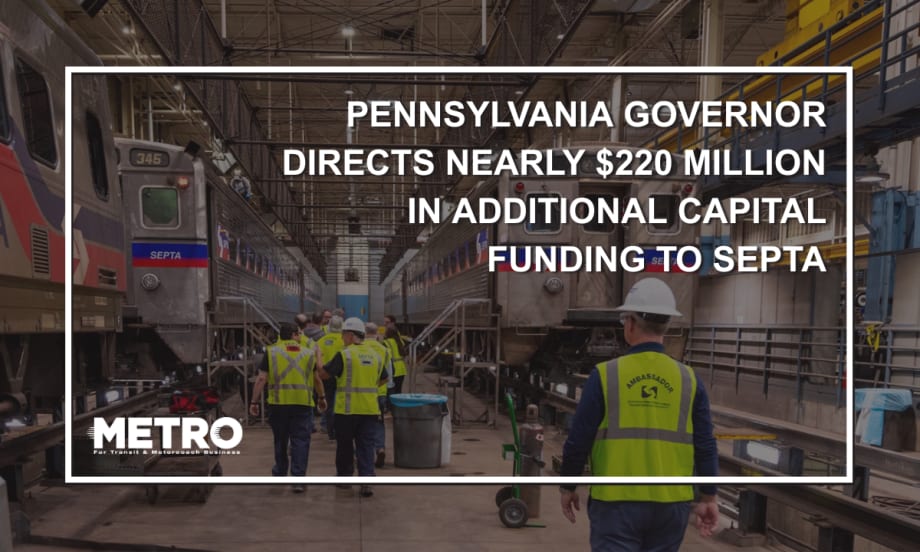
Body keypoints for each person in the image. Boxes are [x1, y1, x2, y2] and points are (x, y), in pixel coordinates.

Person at [559, 278, 719, 551]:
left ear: (630, 323)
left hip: (616, 503)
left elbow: (579, 437)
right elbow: (705, 444)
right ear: (667, 325)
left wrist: (568, 485)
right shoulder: (689, 380)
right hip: (671, 505)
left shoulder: (606, 375)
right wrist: (708, 496)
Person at [249, 323, 326, 493]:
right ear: (293, 335)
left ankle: (280, 473)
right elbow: (317, 379)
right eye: (298, 333)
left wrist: (254, 402)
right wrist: (322, 397)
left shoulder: (271, 352)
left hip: (278, 404)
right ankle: (298, 480)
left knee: (280, 439)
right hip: (302, 404)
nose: (300, 336)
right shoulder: (308, 353)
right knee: (300, 441)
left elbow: (261, 379)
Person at [319, 317, 386, 498]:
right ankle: (367, 482)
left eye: (343, 335)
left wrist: (318, 360)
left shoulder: (345, 355)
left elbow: (324, 374)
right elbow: (384, 378)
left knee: (345, 447)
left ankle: (344, 479)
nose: (342, 339)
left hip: (346, 411)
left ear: (350, 335)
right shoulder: (376, 356)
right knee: (366, 446)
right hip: (370, 410)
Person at [363, 322, 394, 468]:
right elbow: (388, 375)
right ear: (377, 334)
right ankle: (380, 447)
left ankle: (365, 453)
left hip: (363, 393)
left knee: (362, 425)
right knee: (379, 422)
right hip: (380, 393)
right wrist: (388, 389)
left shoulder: (359, 348)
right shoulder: (385, 350)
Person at [317, 316, 345, 439]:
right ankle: (339, 430)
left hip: (325, 376)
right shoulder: (344, 341)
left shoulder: (321, 341)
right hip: (341, 376)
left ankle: (330, 432)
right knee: (340, 404)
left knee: (328, 403)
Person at [384, 326, 407, 395]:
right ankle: (398, 404)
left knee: (391, 390)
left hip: (393, 369)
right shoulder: (400, 341)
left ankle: (392, 405)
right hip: (402, 368)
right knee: (399, 390)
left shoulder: (386, 342)